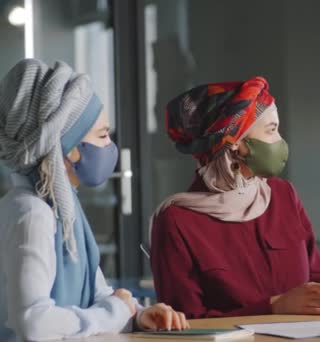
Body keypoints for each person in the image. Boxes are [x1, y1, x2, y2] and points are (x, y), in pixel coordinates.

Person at [0, 59, 189, 342]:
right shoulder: (31, 213)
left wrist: (137, 315)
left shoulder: (63, 205)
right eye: (102, 135)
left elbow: (97, 293)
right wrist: (114, 312)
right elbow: (33, 323)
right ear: (67, 147)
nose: (110, 146)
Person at [150, 77, 320, 318]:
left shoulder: (284, 195)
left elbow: (317, 276)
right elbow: (185, 323)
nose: (281, 141)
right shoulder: (176, 220)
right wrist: (274, 307)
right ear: (235, 142)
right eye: (272, 130)